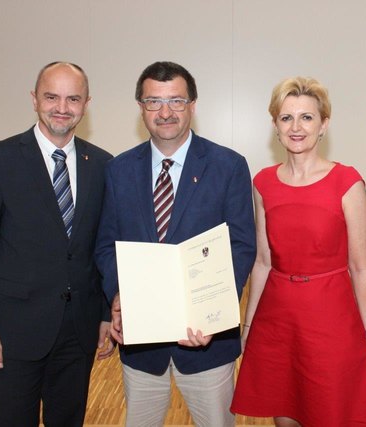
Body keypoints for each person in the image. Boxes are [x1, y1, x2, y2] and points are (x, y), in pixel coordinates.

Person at [94, 61, 256, 427]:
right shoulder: (118, 171)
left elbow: (241, 246)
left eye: (176, 101)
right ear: (141, 108)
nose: (165, 112)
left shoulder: (228, 166)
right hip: (141, 341)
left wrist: (214, 312)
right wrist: (119, 295)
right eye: (153, 102)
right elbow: (107, 245)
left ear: (193, 105)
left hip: (206, 343)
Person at [0, 62, 115, 427]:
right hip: (13, 333)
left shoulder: (104, 165)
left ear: (86, 103)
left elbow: (103, 247)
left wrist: (106, 315)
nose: (62, 107)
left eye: (73, 98)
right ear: (34, 99)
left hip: (78, 333)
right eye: (51, 96)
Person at [231, 77, 366, 427]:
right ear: (275, 126)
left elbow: (361, 268)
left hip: (332, 320)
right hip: (278, 320)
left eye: (307, 117)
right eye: (286, 118)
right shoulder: (263, 183)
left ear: (323, 125)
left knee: (330, 416)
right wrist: (249, 326)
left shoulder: (347, 183)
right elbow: (263, 262)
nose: (296, 127)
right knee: (285, 417)